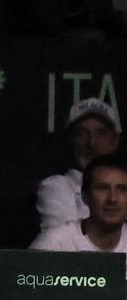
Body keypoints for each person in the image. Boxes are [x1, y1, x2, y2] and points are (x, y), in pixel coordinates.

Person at [36, 100, 122, 235]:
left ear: (114, 142)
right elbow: (65, 247)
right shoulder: (56, 186)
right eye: (82, 133)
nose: (91, 142)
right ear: (71, 140)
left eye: (100, 133)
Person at [31, 154, 127, 254]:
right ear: (85, 196)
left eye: (122, 189)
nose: (112, 199)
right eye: (102, 188)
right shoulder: (55, 243)